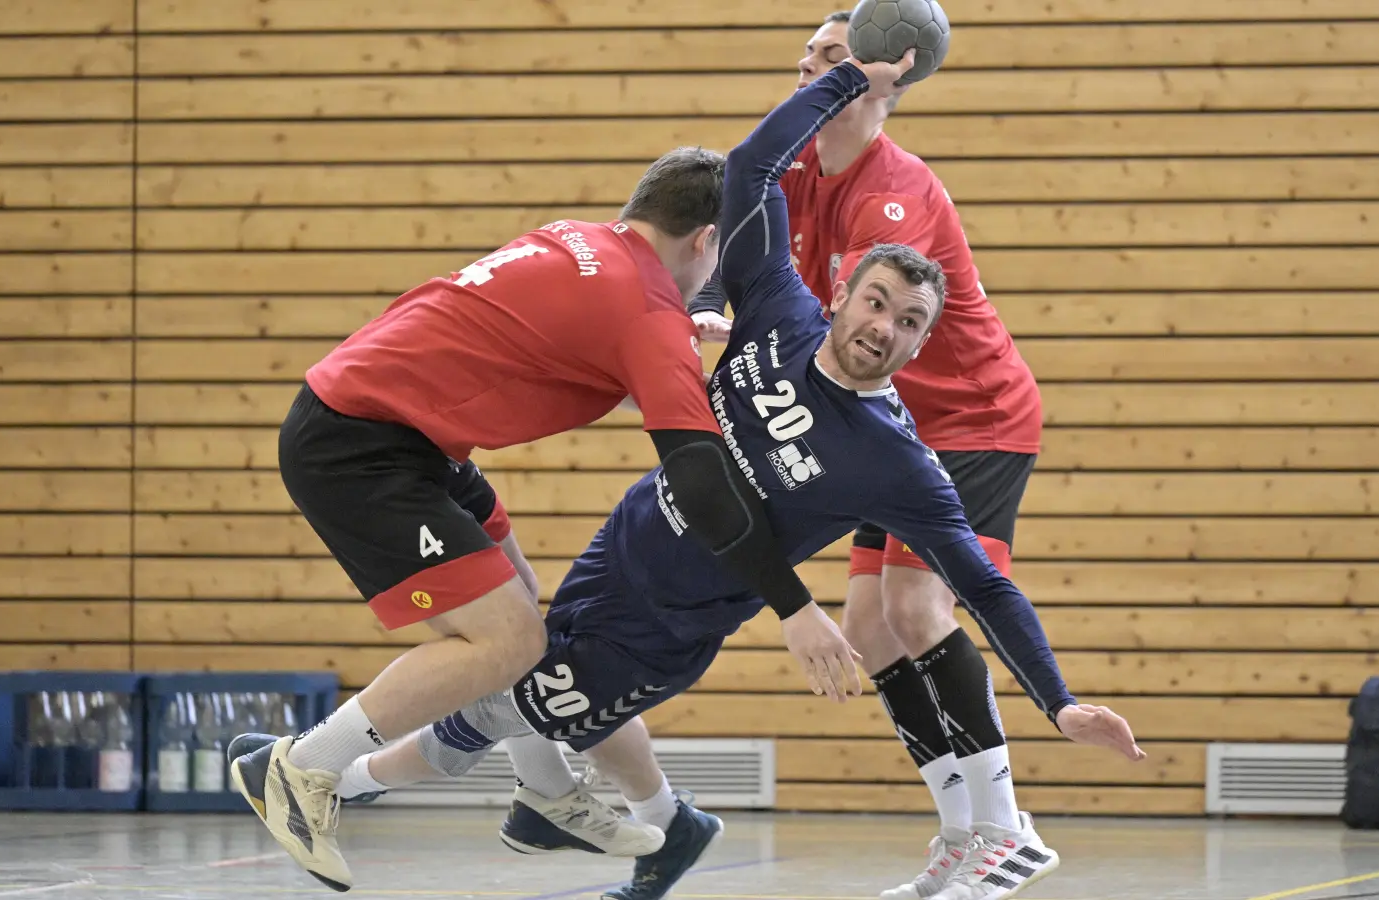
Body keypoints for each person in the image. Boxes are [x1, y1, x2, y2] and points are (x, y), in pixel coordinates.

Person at [328, 53, 1144, 900]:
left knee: (504, 705)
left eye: (910, 323)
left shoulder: (897, 464)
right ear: (839, 293)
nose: (884, 328)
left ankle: (324, 775)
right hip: (624, 544)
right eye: (875, 303)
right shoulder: (775, 302)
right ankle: (629, 816)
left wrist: (1060, 702)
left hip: (670, 623)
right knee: (525, 679)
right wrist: (840, 84)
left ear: (920, 345)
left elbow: (983, 585)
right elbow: (749, 170)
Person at [225, 147, 856, 893]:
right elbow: (696, 469)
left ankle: (549, 797)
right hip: (361, 446)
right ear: (707, 240)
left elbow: (581, 355)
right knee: (504, 639)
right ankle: (299, 768)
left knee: (528, 620)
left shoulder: (580, 239)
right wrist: (794, 602)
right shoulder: (645, 313)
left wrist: (668, 356)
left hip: (410, 433)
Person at [687, 12, 1054, 899]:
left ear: (878, 73)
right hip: (887, 431)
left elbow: (858, 325)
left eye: (825, 55)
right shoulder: (803, 169)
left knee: (916, 604)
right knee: (866, 627)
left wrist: (746, 334)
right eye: (805, 54)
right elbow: (752, 261)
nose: (803, 66)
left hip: (973, 418)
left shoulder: (895, 193)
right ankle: (964, 832)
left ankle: (1007, 833)